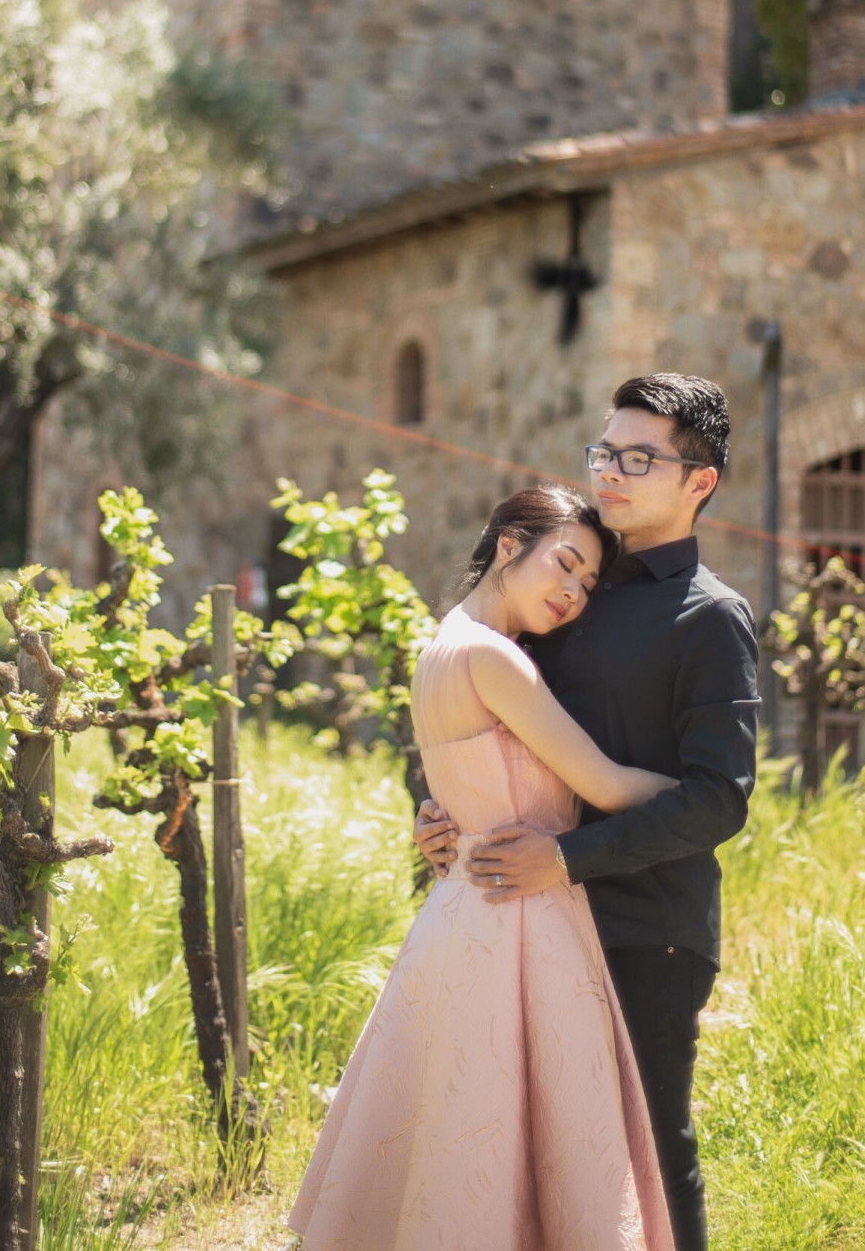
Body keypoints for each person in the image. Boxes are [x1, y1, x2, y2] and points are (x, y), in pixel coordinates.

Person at [416, 373, 759, 1251]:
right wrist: (443, 803)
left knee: (649, 1154)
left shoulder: (711, 619)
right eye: (606, 450)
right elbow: (488, 706)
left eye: (639, 458)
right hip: (520, 923)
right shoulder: (567, 578)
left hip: (645, 925)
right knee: (531, 1156)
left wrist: (567, 858)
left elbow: (718, 798)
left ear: (700, 481)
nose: (611, 470)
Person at [288, 482, 679, 1251]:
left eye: (587, 582)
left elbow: (461, 789)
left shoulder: (441, 644)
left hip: (460, 912)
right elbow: (603, 783)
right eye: (565, 563)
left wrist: (437, 822)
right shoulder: (495, 657)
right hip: (523, 919)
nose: (573, 591)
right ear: (509, 545)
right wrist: (706, 790)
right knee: (526, 1141)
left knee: (460, 1134)